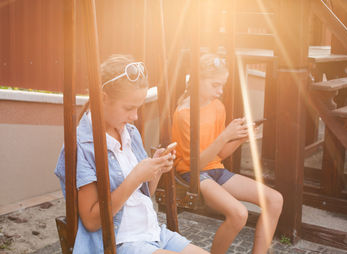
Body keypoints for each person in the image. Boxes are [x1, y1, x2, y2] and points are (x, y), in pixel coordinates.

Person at [55, 54, 209, 254]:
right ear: (102, 98)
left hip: (152, 233)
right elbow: (92, 221)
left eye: (138, 108)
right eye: (129, 108)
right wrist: (136, 175)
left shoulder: (130, 132)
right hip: (119, 242)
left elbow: (144, 193)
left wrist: (156, 168)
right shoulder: (80, 146)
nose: (135, 116)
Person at [172, 53, 283, 254]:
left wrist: (241, 138)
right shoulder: (183, 114)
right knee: (238, 214)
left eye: (222, 85)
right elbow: (194, 166)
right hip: (191, 175)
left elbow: (219, 155)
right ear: (198, 80)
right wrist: (225, 136)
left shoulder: (217, 107)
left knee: (275, 199)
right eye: (215, 85)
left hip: (214, 169)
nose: (220, 91)